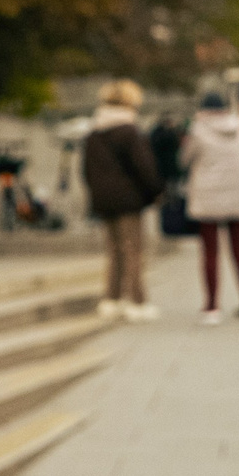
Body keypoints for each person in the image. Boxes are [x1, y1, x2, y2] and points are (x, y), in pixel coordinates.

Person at [81, 80, 164, 322]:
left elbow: (86, 171)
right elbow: (144, 167)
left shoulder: (93, 133)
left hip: (104, 200)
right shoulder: (129, 131)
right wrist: (155, 191)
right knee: (133, 250)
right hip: (128, 199)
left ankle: (112, 299)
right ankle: (137, 301)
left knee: (114, 250)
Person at [179, 91, 239, 324]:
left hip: (208, 197)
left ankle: (212, 306)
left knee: (210, 253)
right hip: (236, 194)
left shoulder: (197, 130)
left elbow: (185, 160)